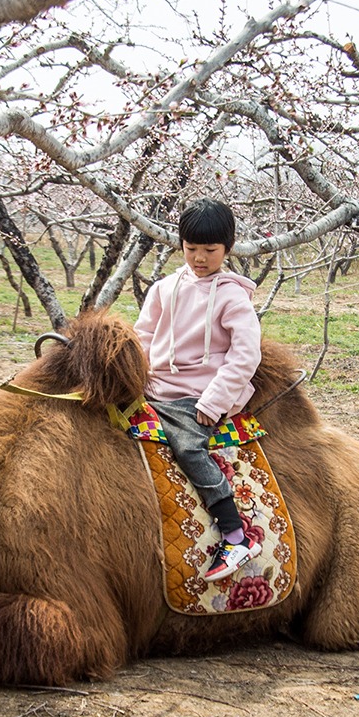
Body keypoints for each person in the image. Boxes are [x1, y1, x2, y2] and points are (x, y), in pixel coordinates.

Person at [134, 197, 263, 582]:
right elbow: (143, 337)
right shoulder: (163, 288)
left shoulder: (232, 296)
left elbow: (245, 354)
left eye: (210, 250)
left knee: (187, 446)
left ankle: (235, 533)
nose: (200, 258)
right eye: (192, 249)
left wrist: (215, 400)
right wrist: (134, 378)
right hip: (157, 387)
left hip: (202, 394)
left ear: (228, 248)